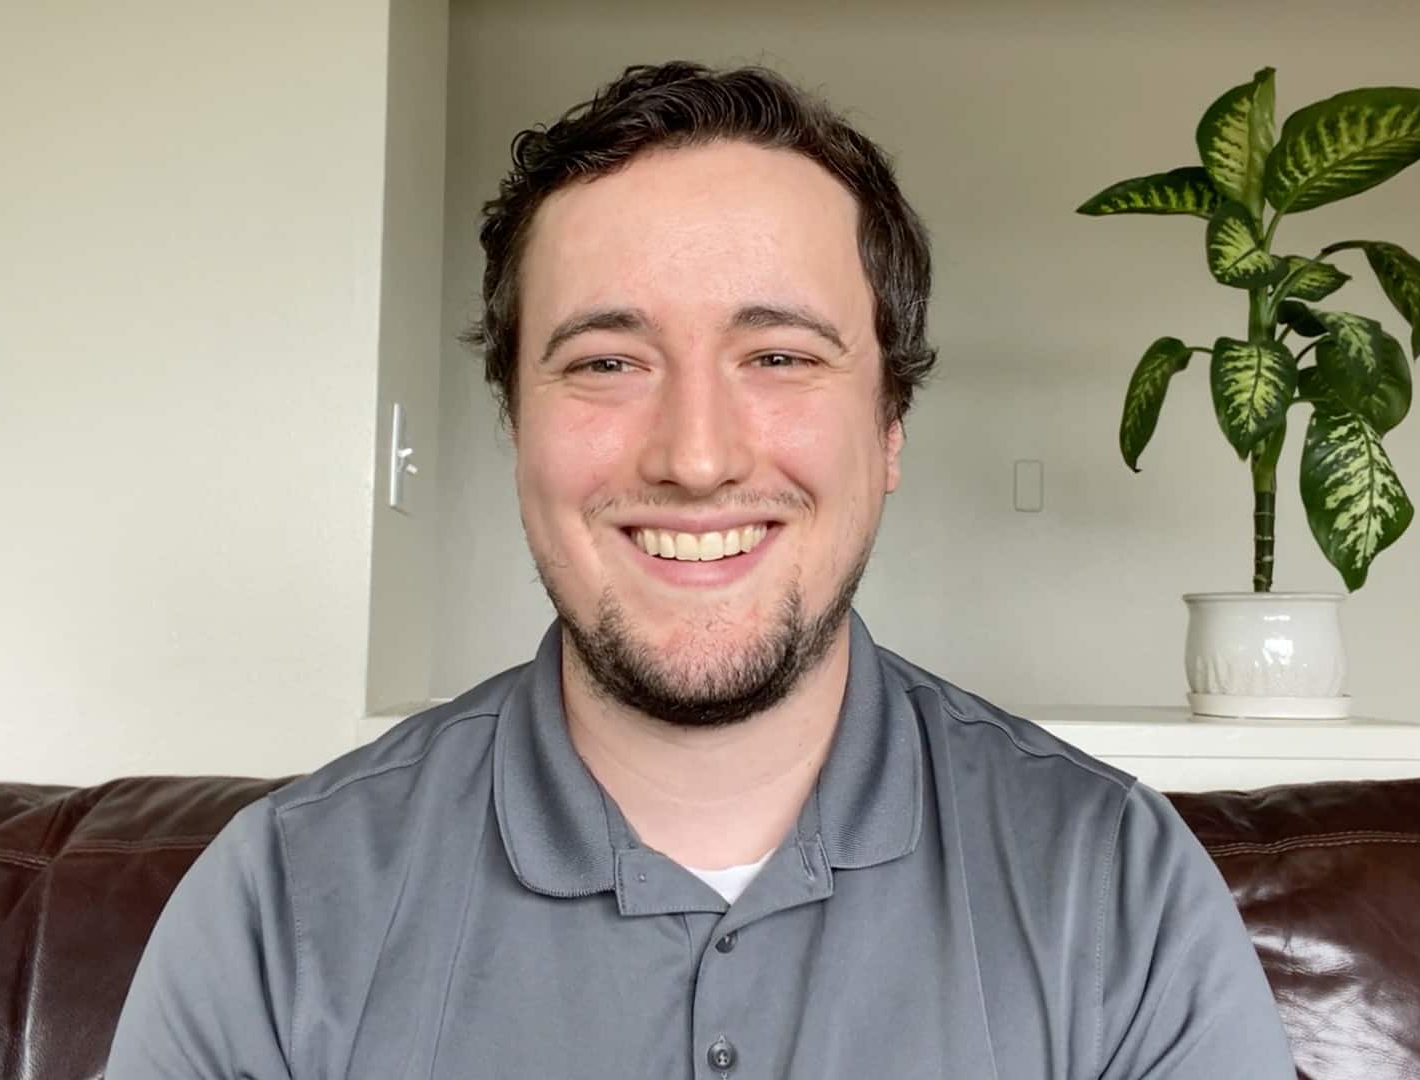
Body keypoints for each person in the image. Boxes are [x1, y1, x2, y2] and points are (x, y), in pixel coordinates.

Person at [106, 61, 1297, 1078]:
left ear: (890, 428)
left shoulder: (1119, 891)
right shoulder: (276, 907)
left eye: (777, 354)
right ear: (516, 424)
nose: (695, 456)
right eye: (607, 363)